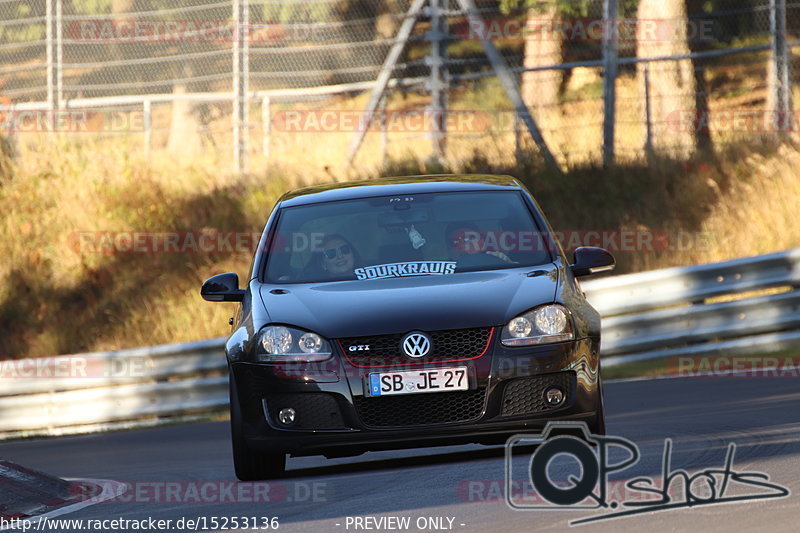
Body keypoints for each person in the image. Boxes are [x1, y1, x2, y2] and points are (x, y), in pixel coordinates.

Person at [445, 222, 515, 267]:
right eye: (455, 242)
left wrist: (503, 262)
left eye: (468, 239)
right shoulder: (440, 268)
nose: (462, 245)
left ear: (481, 241)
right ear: (448, 248)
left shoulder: (497, 259)